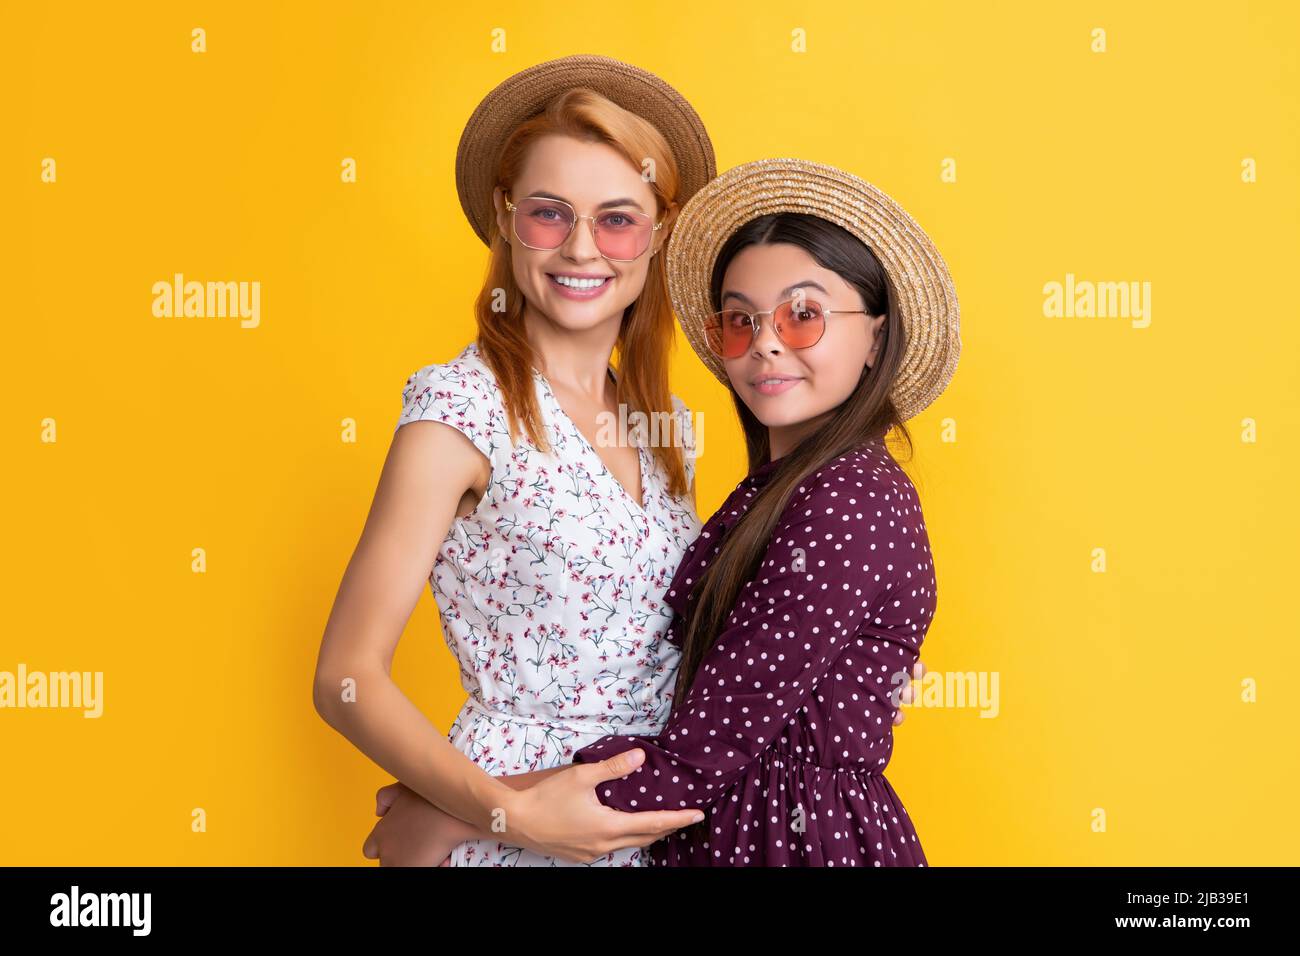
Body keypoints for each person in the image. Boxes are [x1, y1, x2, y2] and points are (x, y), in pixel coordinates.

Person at [369, 157, 960, 866]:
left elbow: (706, 750)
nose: (766, 341)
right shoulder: (777, 488)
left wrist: (459, 815)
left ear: (875, 338)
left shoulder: (847, 501)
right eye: (739, 320)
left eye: (804, 316)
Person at [314, 55, 723, 866]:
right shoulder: (461, 411)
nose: (581, 248)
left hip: (649, 828)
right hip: (517, 835)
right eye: (549, 213)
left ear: (659, 235)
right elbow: (345, 677)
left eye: (617, 219)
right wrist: (503, 814)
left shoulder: (665, 424)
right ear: (506, 218)